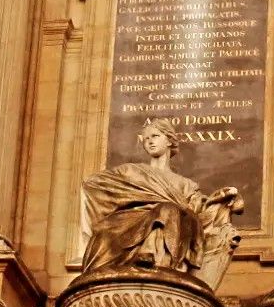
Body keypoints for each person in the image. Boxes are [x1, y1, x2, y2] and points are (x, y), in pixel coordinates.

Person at [81, 117, 244, 290]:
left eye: (155, 136)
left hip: (171, 221)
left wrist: (219, 199)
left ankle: (151, 255)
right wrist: (136, 196)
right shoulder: (130, 171)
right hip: (130, 221)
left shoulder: (186, 184)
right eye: (146, 138)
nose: (149, 141)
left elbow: (199, 210)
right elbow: (93, 184)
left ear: (169, 140)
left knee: (169, 210)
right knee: (160, 212)